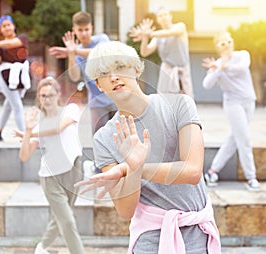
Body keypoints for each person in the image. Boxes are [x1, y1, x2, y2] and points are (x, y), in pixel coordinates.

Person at [75, 41, 221, 254]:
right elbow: (125, 210)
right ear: (99, 85)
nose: (114, 76)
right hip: (150, 240)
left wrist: (133, 169)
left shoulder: (179, 105)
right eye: (105, 72)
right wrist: (132, 170)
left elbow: (192, 171)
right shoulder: (104, 138)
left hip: (199, 235)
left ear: (136, 69)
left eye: (120, 67)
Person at [17, 77, 85, 254]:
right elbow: (24, 155)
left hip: (74, 170)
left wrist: (33, 131)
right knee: (68, 221)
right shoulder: (37, 124)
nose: (46, 99)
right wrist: (27, 132)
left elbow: (58, 129)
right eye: (42, 96)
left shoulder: (71, 110)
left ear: (58, 95)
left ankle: (42, 246)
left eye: (50, 95)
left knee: (61, 217)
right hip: (50, 177)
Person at [202, 32, 260, 191]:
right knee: (245, 139)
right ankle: (251, 177)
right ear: (217, 47)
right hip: (233, 104)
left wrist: (221, 66)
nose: (226, 44)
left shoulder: (242, 55)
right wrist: (218, 69)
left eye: (228, 41)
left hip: (249, 101)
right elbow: (207, 84)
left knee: (235, 138)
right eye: (222, 43)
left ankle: (213, 171)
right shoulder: (217, 65)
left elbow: (241, 68)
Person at [49, 11, 117, 134]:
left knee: (120, 137)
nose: (84, 33)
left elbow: (100, 53)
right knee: (99, 139)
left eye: (87, 29)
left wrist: (73, 51)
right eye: (80, 30)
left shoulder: (102, 39)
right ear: (74, 30)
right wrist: (70, 54)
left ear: (92, 28)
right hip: (96, 103)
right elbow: (74, 77)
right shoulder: (76, 50)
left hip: (116, 98)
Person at [129, 8, 194, 98]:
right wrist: (145, 37)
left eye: (165, 14)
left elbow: (169, 33)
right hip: (167, 70)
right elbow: (145, 52)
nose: (163, 17)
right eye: (160, 16)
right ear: (157, 20)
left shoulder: (180, 26)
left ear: (170, 16)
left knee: (185, 100)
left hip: (181, 70)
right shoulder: (157, 36)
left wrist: (150, 33)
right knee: (166, 100)